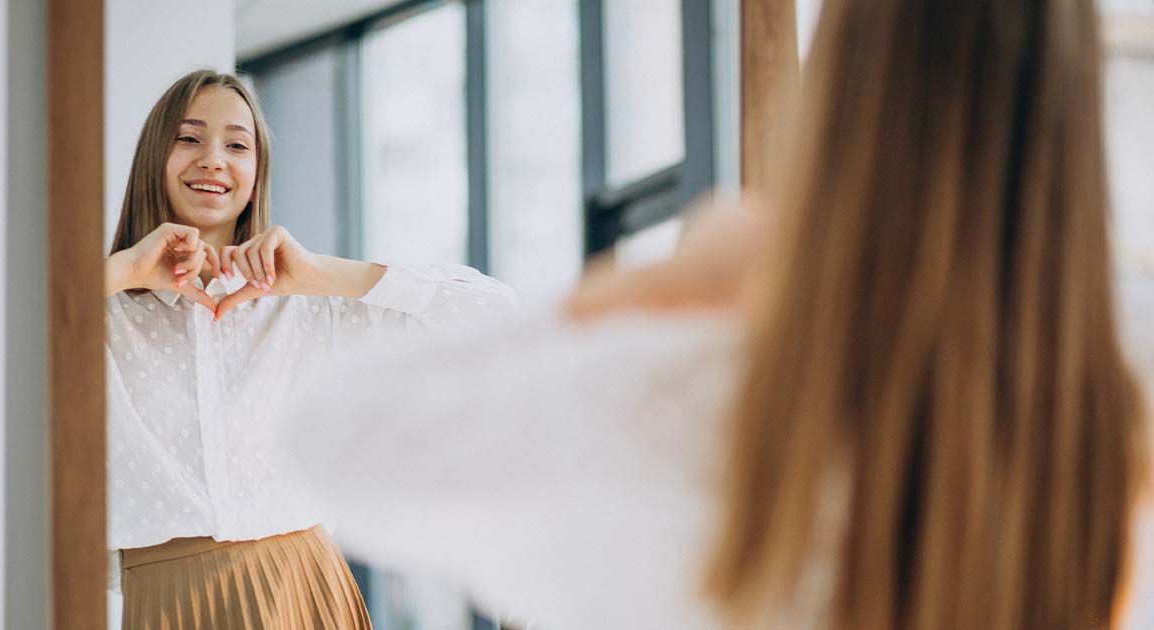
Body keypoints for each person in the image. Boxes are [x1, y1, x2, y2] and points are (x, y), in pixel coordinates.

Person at [277, 0, 1151, 628]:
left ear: (843, 98)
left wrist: (658, 283)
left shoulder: (720, 393)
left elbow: (331, 436)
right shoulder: (1116, 411)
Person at [103, 69, 515, 629]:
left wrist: (326, 274)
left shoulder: (310, 307)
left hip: (301, 586)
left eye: (237, 145)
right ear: (156, 155)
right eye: (189, 138)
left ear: (257, 172)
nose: (213, 159)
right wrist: (124, 270)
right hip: (168, 599)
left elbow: (492, 314)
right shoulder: (103, 315)